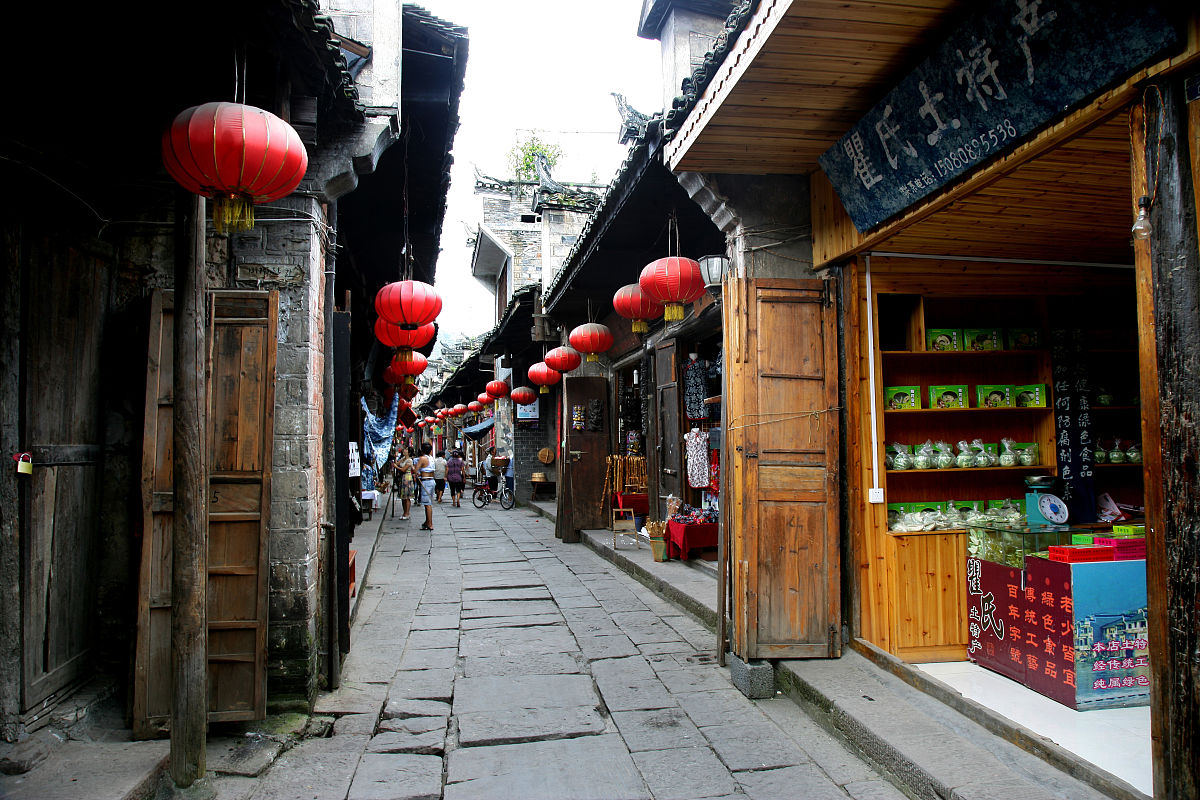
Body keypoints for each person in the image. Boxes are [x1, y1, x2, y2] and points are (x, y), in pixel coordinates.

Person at [416, 442, 436, 530]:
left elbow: (416, 470)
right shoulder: (431, 458)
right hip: (431, 480)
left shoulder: (422, 458)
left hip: (426, 481)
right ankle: (427, 521)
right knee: (427, 503)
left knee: (427, 504)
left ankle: (430, 523)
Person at [395, 447, 415, 520]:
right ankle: (404, 512)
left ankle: (407, 513)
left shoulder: (409, 460)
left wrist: (396, 467)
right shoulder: (403, 458)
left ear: (409, 452)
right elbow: (397, 463)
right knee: (403, 497)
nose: (404, 450)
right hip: (402, 478)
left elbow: (403, 469)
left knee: (407, 497)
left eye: (406, 450)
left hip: (407, 478)